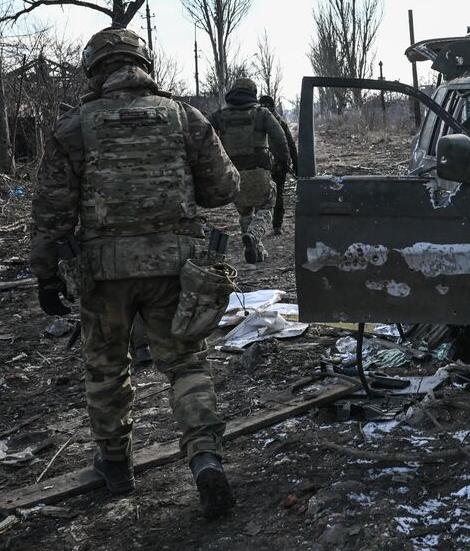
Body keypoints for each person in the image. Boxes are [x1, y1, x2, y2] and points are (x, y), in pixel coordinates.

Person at [30, 26, 241, 518]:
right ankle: (205, 458)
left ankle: (115, 466)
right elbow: (222, 188)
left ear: (95, 70)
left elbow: (51, 211)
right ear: (144, 65)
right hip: (177, 270)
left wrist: (45, 274)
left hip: (105, 275)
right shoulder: (183, 117)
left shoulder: (74, 127)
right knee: (185, 364)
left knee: (106, 367)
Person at [208, 77, 289, 263]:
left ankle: (255, 250)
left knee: (245, 211)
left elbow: (203, 132)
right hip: (258, 170)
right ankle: (253, 236)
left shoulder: (220, 115)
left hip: (233, 173)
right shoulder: (262, 113)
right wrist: (284, 161)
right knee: (267, 204)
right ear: (253, 93)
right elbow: (280, 138)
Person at [258, 95, 299, 235]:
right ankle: (277, 225)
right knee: (279, 192)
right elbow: (291, 144)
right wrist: (296, 163)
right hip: (278, 164)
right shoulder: (279, 121)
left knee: (262, 194)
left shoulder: (256, 120)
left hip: (262, 164)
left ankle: (259, 225)